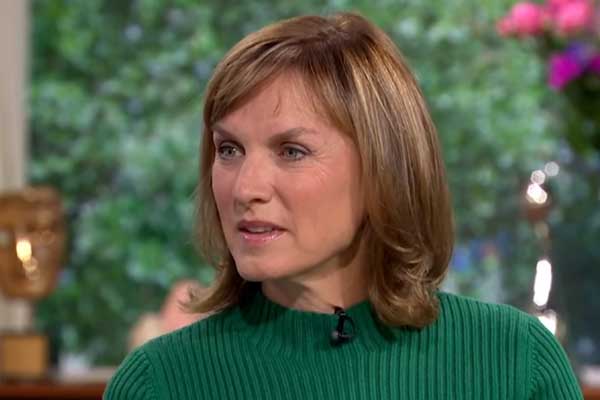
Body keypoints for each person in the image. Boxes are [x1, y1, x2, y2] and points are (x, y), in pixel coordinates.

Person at [104, 12, 583, 400]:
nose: (245, 188)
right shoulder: (158, 384)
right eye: (229, 149)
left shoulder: (515, 363)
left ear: (383, 168)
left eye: (291, 151)